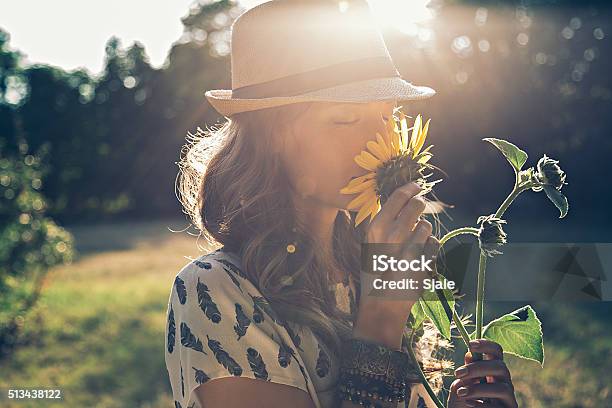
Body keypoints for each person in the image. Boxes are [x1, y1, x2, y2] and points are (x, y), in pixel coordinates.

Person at [164, 1, 519, 407]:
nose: (378, 142)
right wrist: (383, 318)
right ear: (272, 136)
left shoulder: (362, 268)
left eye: (387, 117)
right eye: (344, 120)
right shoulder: (216, 291)